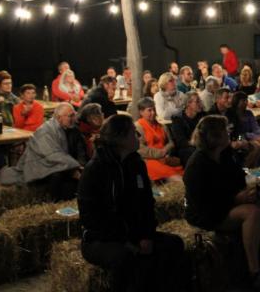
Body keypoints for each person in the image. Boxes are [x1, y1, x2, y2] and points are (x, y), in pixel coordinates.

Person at [79, 114, 188, 292]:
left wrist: (146, 235)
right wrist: (128, 242)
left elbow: (146, 203)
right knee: (125, 259)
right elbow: (93, 218)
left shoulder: (136, 163)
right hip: (100, 239)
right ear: (120, 139)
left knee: (174, 244)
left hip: (135, 234)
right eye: (134, 133)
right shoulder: (95, 170)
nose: (138, 137)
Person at [183, 115, 260, 291]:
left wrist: (248, 192)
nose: (229, 133)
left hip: (228, 203)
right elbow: (204, 203)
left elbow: (238, 179)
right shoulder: (197, 165)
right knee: (252, 212)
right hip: (207, 213)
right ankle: (254, 270)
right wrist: (236, 198)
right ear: (215, 137)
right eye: (225, 131)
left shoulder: (226, 154)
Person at [0, 103, 84, 201]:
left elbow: (76, 150)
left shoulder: (68, 129)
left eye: (74, 114)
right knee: (56, 174)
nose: (73, 118)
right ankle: (53, 202)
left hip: (53, 163)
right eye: (71, 116)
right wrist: (74, 166)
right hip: (38, 165)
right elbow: (52, 154)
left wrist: (78, 166)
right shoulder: (46, 130)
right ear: (59, 117)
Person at [135, 98, 183, 182]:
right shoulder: (138, 127)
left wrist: (166, 152)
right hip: (149, 160)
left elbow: (171, 143)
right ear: (141, 112)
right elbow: (140, 149)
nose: (153, 113)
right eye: (149, 110)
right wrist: (160, 154)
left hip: (165, 158)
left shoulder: (162, 126)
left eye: (154, 109)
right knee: (172, 174)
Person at [227, 91, 260, 168]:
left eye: (246, 100)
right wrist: (255, 137)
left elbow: (255, 128)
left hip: (250, 136)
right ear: (236, 101)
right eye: (243, 100)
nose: (246, 102)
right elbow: (239, 132)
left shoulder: (248, 113)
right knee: (257, 146)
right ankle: (246, 168)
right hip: (239, 137)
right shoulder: (232, 114)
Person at [169, 92, 204, 166]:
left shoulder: (202, 116)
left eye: (200, 100)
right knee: (197, 153)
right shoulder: (178, 120)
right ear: (188, 103)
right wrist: (196, 143)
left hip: (200, 145)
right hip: (185, 149)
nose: (200, 103)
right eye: (197, 101)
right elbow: (181, 142)